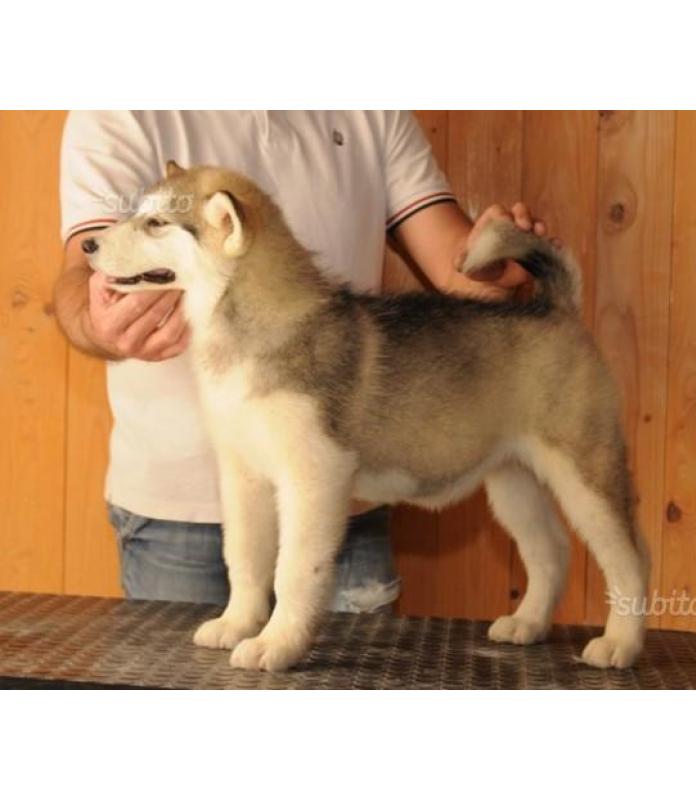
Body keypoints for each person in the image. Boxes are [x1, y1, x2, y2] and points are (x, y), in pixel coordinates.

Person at [54, 111, 546, 613]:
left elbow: (459, 270)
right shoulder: (119, 108)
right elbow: (86, 267)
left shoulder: (371, 108)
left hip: (340, 498)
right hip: (176, 515)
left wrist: (494, 266)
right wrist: (98, 322)